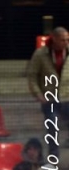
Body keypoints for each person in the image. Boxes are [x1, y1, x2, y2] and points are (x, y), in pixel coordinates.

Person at [27, 27, 69, 158]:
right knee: (52, 126)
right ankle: (53, 157)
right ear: (54, 39)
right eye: (62, 40)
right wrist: (38, 94)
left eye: (67, 40)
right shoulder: (40, 54)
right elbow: (32, 76)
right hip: (49, 98)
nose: (66, 42)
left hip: (67, 96)